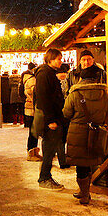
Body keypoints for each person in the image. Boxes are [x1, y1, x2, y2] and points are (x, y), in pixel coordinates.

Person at [63, 64, 108, 205]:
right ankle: (85, 191)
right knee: (92, 160)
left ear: (81, 78)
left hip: (78, 132)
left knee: (81, 164)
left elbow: (66, 113)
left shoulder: (75, 94)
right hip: (96, 132)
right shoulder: (104, 93)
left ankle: (85, 194)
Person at [34, 48, 67, 189]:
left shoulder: (49, 73)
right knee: (48, 149)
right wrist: (50, 120)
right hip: (50, 118)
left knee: (51, 148)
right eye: (58, 58)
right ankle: (44, 178)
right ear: (50, 59)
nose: (61, 61)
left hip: (53, 116)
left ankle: (46, 176)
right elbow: (44, 98)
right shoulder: (44, 74)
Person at [22, 62, 40, 161]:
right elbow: (35, 94)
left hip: (30, 108)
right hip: (32, 108)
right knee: (33, 132)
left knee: (34, 131)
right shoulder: (32, 81)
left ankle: (33, 152)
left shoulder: (29, 79)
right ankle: (31, 153)